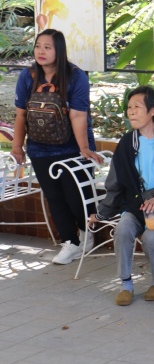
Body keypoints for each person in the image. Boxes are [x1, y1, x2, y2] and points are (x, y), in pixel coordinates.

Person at [90, 86, 154, 306]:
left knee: (151, 238)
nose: (131, 112)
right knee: (122, 230)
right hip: (135, 205)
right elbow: (115, 184)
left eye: (137, 106)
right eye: (129, 107)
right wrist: (102, 213)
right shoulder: (126, 143)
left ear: (153, 110)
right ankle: (125, 284)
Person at [11, 29, 103, 265]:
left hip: (72, 147)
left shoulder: (75, 76)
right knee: (54, 197)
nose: (41, 51)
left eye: (47, 47)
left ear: (59, 50)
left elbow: (78, 115)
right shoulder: (28, 76)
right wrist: (17, 146)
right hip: (39, 147)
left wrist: (84, 149)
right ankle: (69, 242)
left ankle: (87, 232)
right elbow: (21, 114)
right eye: (38, 46)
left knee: (77, 196)